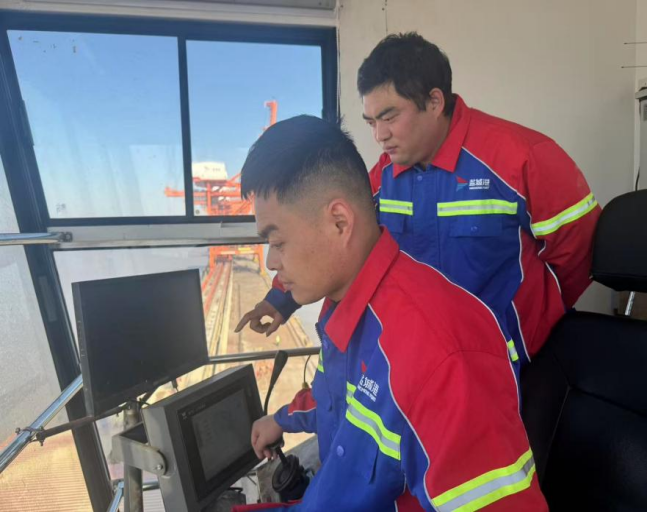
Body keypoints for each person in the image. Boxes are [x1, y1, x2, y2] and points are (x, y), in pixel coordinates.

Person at [234, 115, 547, 511]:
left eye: (277, 242)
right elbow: (337, 400)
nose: (270, 262)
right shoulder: (343, 308)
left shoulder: (441, 357)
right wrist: (280, 419)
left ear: (339, 222)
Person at [236, 33, 601, 367]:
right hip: (426, 358)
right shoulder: (383, 177)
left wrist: (524, 335)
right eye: (371, 122)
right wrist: (281, 299)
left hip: (510, 362)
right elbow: (323, 236)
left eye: (389, 117)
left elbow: (579, 251)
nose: (379, 135)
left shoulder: (522, 157)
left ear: (434, 101)